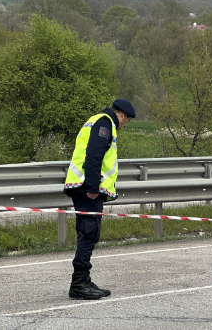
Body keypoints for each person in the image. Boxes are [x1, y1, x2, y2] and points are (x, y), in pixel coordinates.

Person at [64, 98, 135, 300]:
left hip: (82, 186)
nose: (124, 126)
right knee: (89, 233)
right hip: (87, 188)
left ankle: (83, 279)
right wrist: (93, 187)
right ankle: (79, 284)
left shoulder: (97, 120)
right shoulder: (105, 123)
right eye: (127, 121)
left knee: (87, 233)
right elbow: (94, 155)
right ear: (122, 115)